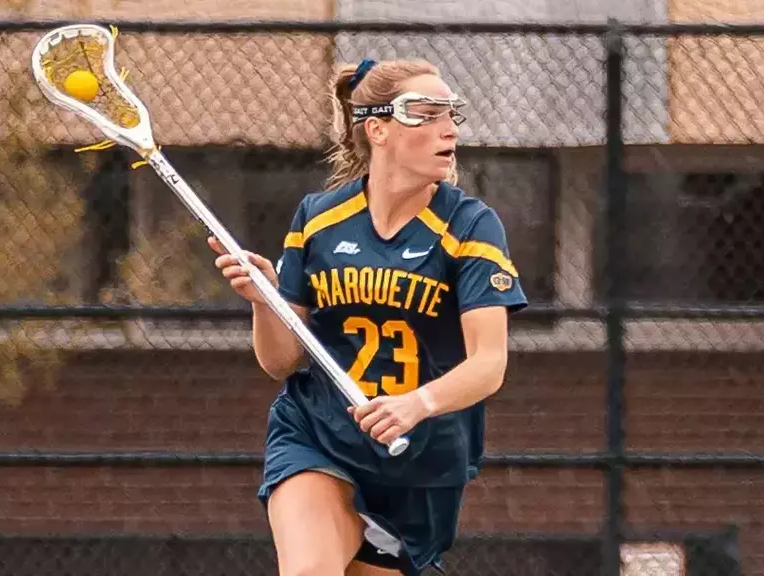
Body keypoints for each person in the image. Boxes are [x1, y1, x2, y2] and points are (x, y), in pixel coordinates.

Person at [208, 58, 528, 576]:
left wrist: (416, 404)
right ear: (377, 129)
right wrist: (264, 302)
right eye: (425, 114)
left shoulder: (470, 226)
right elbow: (281, 362)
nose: (448, 129)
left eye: (451, 115)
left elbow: (489, 363)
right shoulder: (319, 218)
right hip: (318, 434)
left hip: (418, 461)